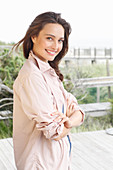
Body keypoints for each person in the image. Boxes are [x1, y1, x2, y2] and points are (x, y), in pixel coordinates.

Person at [13, 11, 85, 170]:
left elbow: (77, 110)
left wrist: (67, 121)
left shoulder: (49, 73)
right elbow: (55, 131)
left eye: (60, 40)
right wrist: (68, 121)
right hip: (40, 165)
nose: (56, 46)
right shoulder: (32, 76)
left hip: (58, 162)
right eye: (49, 38)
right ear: (34, 37)